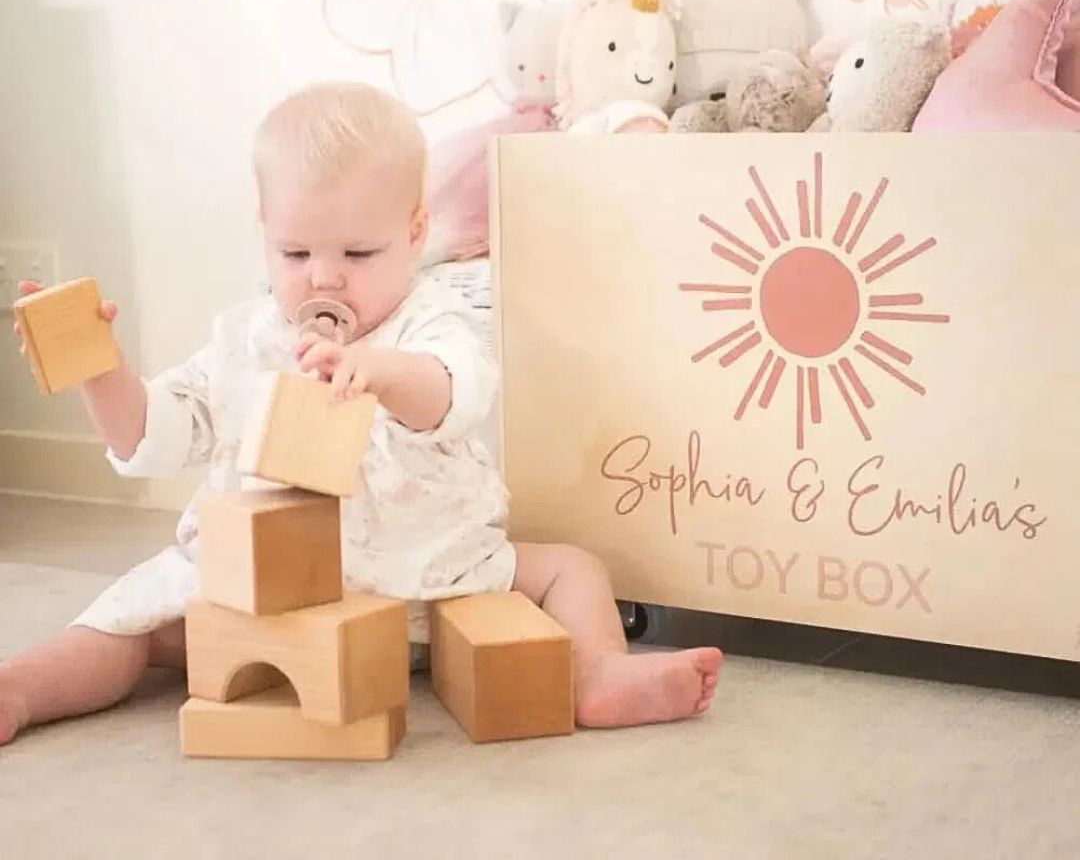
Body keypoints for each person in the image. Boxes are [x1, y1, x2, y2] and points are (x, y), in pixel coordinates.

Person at [1, 82, 721, 746]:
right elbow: (154, 437)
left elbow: (454, 391)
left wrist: (380, 373)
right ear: (264, 229)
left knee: (572, 569)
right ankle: (22, 691)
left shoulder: (427, 322)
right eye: (294, 251)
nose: (322, 274)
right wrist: (102, 372)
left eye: (357, 251)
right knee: (126, 622)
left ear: (414, 232)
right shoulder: (246, 338)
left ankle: (595, 675)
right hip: (267, 598)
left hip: (425, 575)